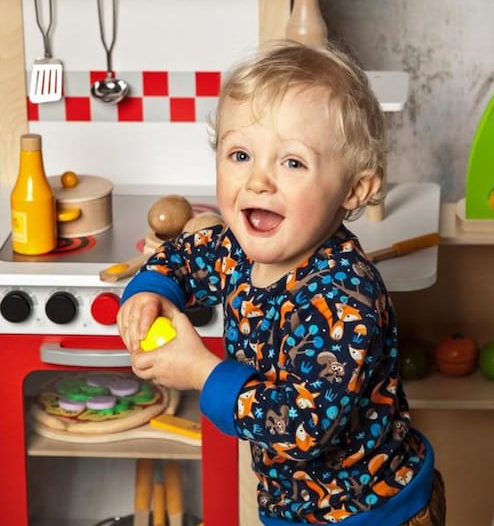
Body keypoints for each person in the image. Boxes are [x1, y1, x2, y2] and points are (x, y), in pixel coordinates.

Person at [117, 41, 445, 525]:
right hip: (294, 508)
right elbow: (185, 257)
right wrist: (150, 290)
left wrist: (200, 373)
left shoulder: (343, 296)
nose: (258, 181)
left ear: (354, 189)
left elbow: (301, 427)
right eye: (241, 154)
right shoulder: (235, 249)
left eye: (292, 162)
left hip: (374, 514)